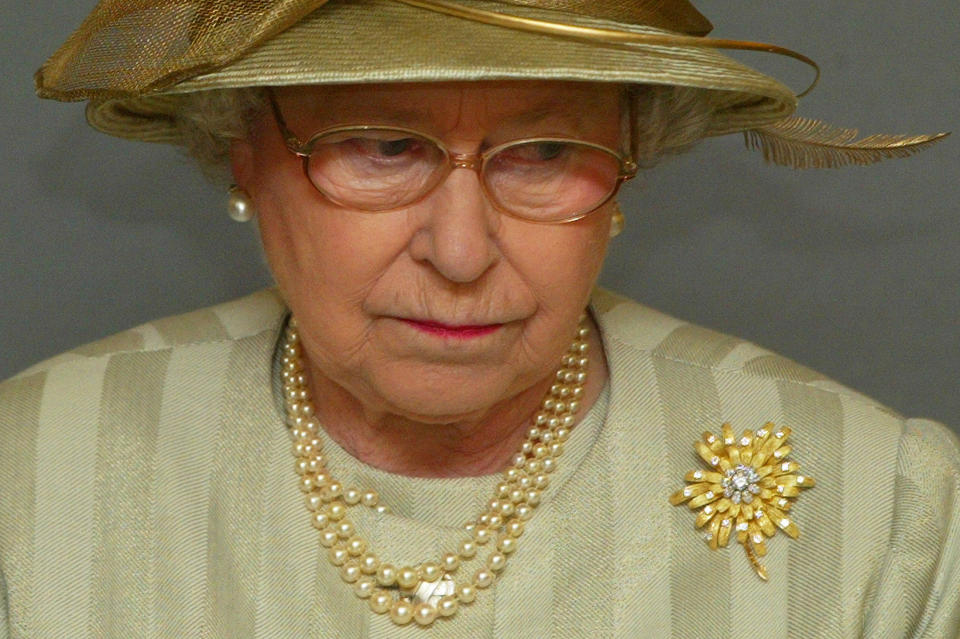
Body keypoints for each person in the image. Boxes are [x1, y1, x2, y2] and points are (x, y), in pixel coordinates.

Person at [1, 1, 957, 637]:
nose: (460, 252)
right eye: (379, 146)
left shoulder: (882, 509)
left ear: (630, 163)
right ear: (240, 151)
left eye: (544, 151)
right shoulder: (29, 474)